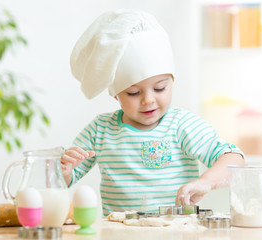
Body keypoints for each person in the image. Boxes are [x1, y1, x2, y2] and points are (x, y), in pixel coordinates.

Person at [61, 9, 245, 216]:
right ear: (115, 95)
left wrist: (206, 182)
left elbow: (234, 158)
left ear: (172, 83)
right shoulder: (100, 130)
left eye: (159, 88)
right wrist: (65, 171)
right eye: (133, 92)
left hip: (176, 231)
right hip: (119, 232)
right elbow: (66, 179)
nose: (148, 100)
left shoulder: (181, 124)